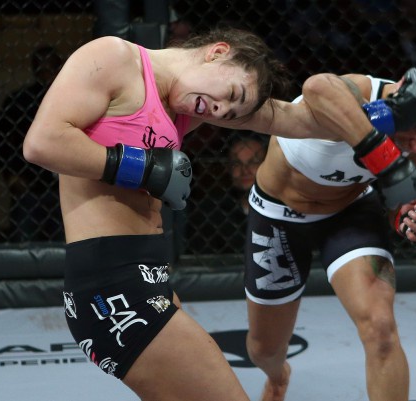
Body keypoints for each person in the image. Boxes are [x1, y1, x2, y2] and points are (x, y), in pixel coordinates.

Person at [23, 27, 301, 401]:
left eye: (231, 112)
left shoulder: (183, 109)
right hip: (113, 287)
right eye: (231, 95)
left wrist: (372, 109)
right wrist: (142, 168)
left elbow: (295, 118)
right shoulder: (115, 59)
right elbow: (42, 143)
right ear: (218, 52)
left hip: (150, 276)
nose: (221, 111)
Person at [236, 53, 416, 401]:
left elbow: (406, 197)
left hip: (350, 213)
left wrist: (410, 218)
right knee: (264, 351)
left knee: (380, 328)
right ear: (407, 92)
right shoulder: (360, 92)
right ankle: (277, 376)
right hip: (277, 216)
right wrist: (379, 151)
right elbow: (317, 87)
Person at [0, 45, 64, 242]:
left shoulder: (69, 99)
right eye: (41, 66)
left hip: (63, 186)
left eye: (50, 66)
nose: (45, 71)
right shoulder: (20, 100)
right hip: (29, 184)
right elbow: (1, 140)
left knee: (63, 243)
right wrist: (11, 175)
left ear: (58, 67)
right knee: (24, 243)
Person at [185, 131, 267, 254]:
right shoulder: (210, 212)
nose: (245, 170)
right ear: (228, 168)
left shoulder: (283, 208)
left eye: (253, 162)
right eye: (237, 163)